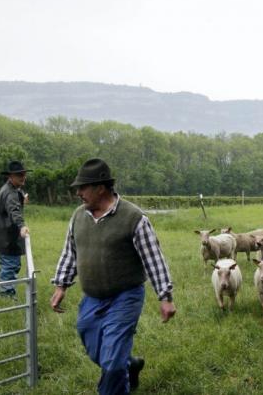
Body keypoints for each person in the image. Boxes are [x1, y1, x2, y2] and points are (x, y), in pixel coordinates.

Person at [50, 158, 176, 394]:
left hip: (125, 297)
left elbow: (154, 258)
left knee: (112, 362)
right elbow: (70, 252)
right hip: (92, 298)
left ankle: (116, 379)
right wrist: (61, 286)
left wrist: (165, 296)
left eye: (83, 187)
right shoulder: (78, 216)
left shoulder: (133, 218)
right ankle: (130, 365)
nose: (78, 193)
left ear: (101, 188)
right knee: (94, 345)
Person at [0, 160, 31, 298]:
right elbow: (14, 211)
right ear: (10, 177)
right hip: (7, 238)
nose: (23, 177)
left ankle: (4, 293)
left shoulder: (11, 190)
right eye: (19, 175)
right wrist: (22, 225)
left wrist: (21, 200)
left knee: (8, 265)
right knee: (10, 266)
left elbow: (11, 207)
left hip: (3, 237)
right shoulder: (10, 193)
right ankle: (6, 296)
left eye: (24, 174)